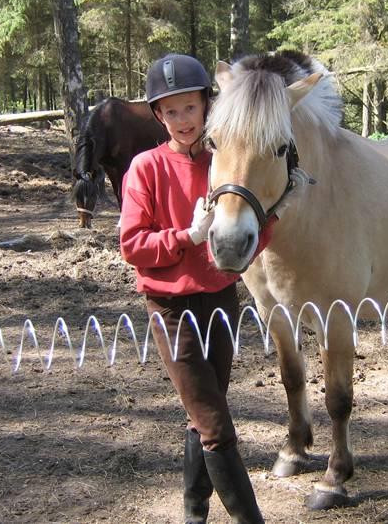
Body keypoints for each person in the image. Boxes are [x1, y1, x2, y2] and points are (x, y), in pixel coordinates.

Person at [119, 53, 294, 524]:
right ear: (158, 115)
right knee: (215, 426)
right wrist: (187, 237)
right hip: (170, 308)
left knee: (203, 413)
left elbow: (249, 232)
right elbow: (133, 246)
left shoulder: (224, 162)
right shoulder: (145, 169)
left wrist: (273, 216)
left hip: (220, 300)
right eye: (171, 111)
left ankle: (194, 510)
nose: (182, 120)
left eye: (190, 109)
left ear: (207, 108)